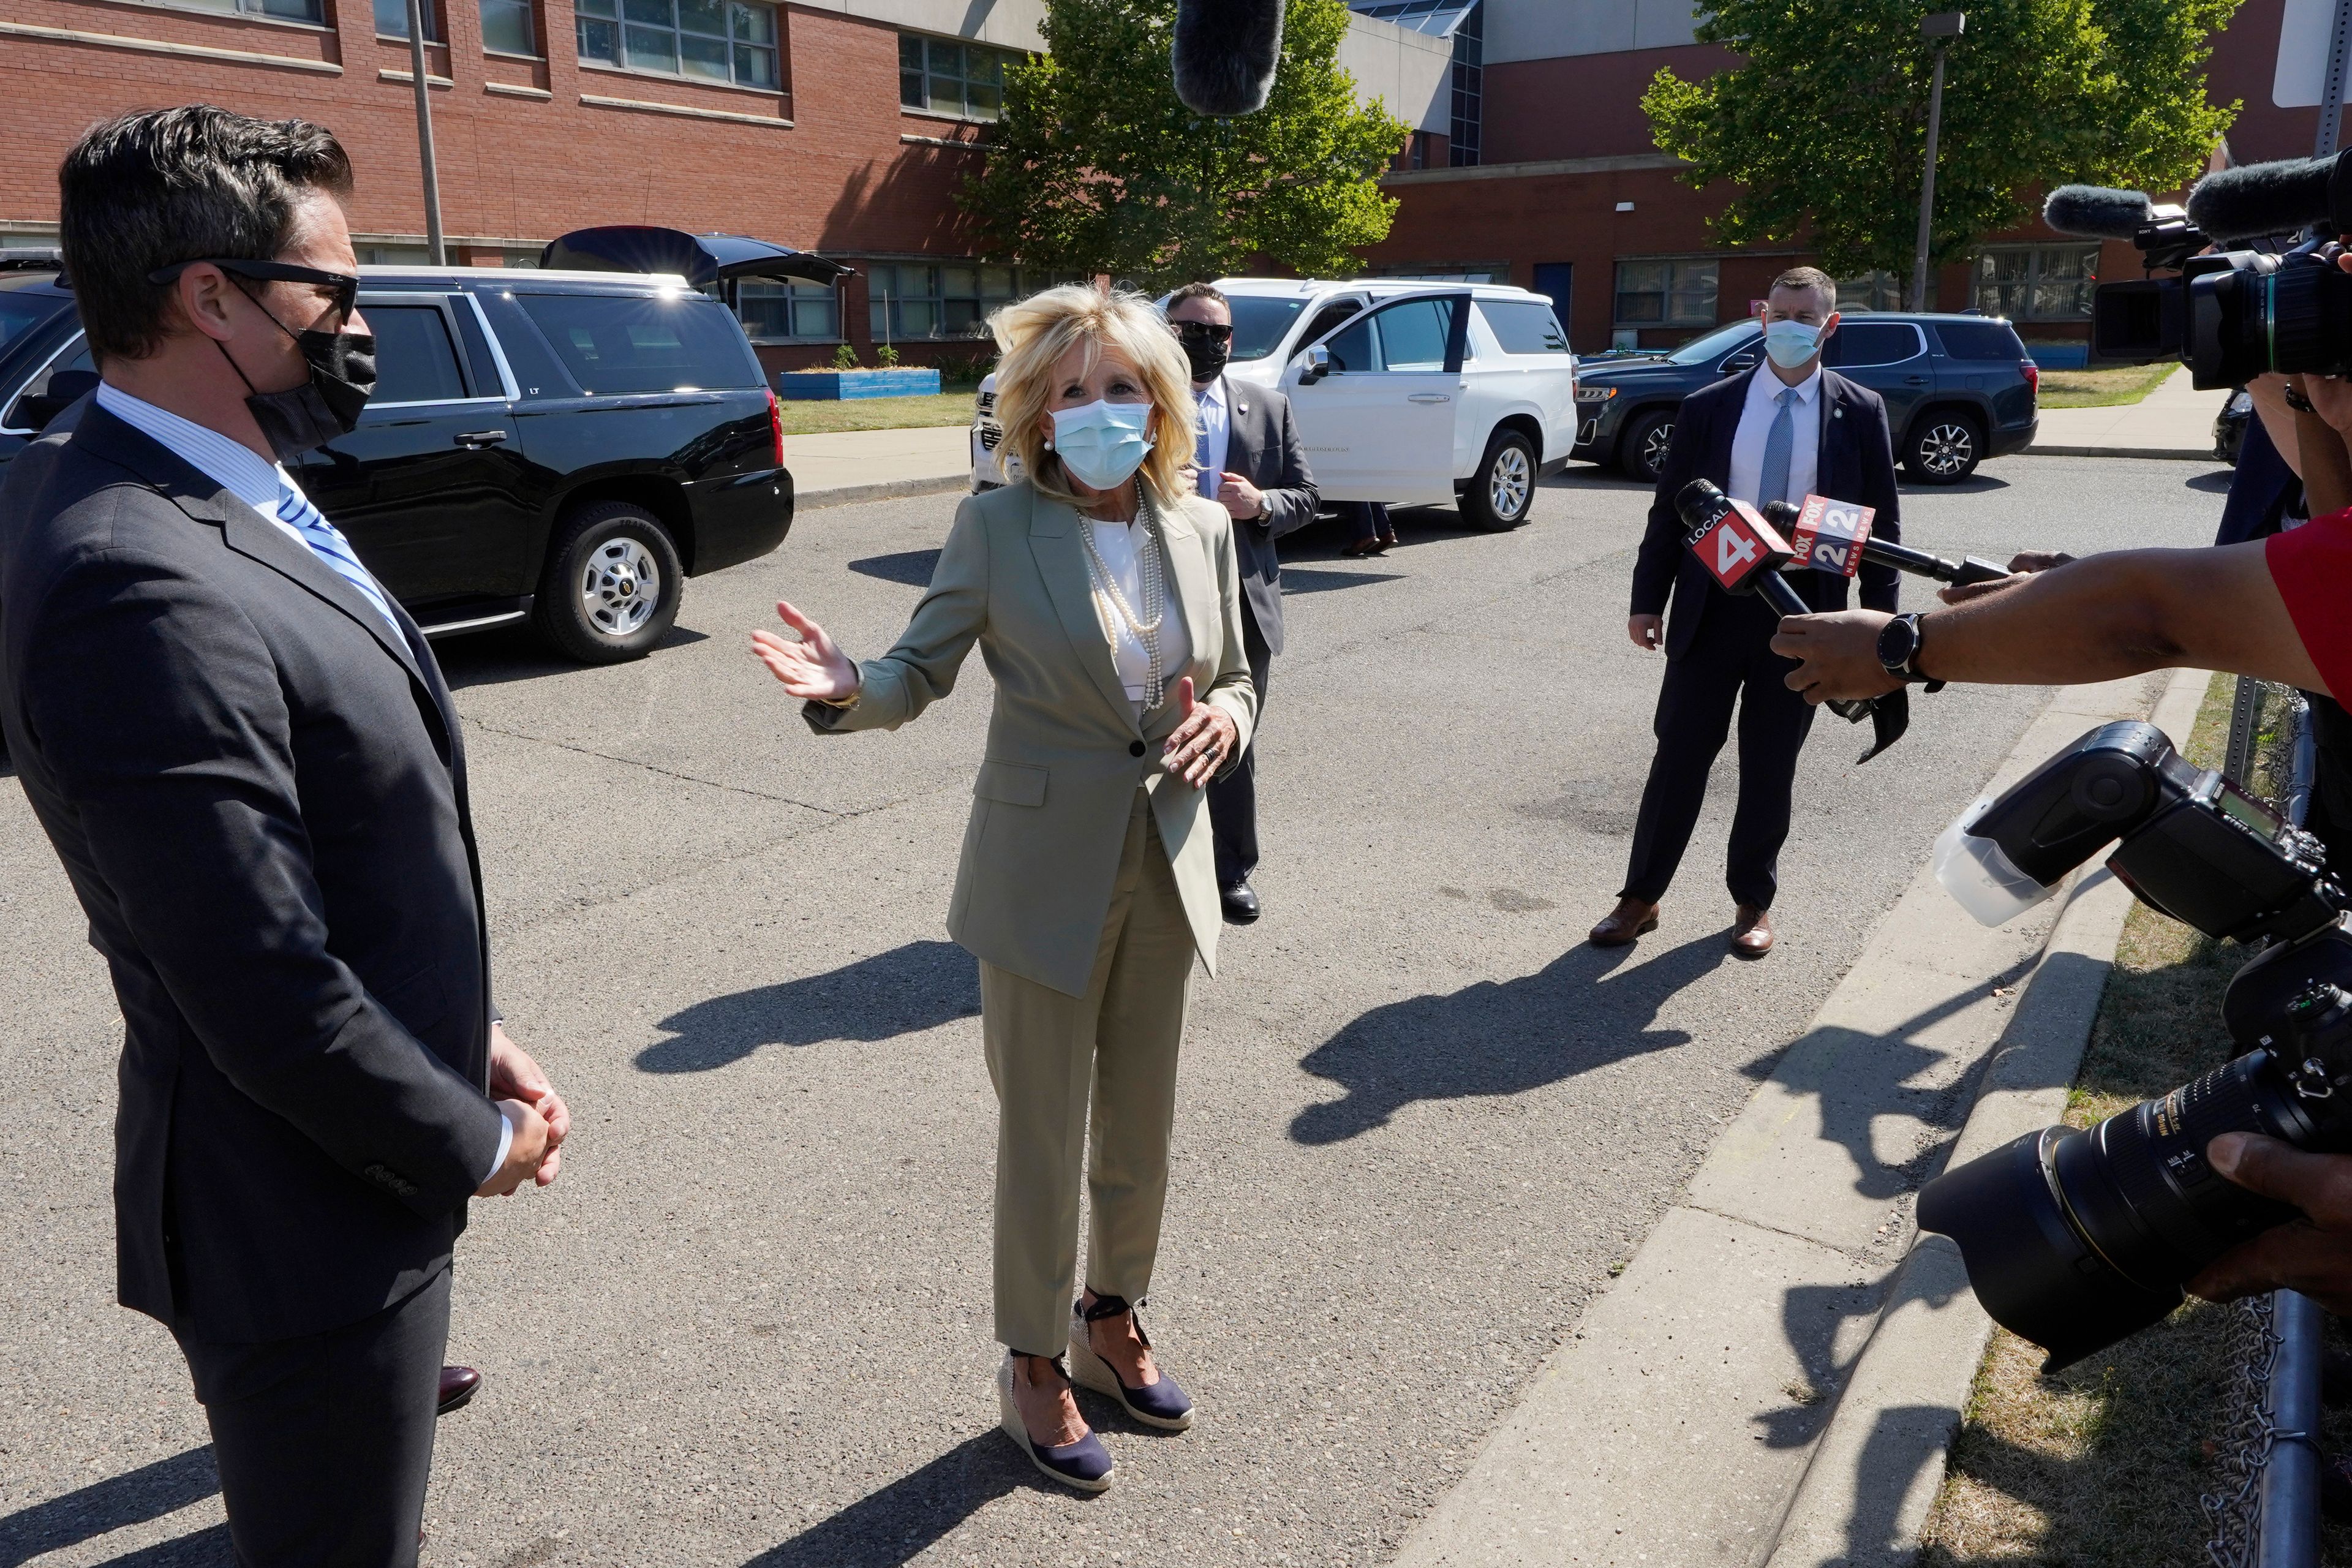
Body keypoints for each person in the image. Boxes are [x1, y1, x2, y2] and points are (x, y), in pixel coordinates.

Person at [0, 107, 568, 1565]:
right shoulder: (134, 575)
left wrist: (460, 1024)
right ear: (214, 297)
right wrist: (475, 1137)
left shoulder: (214, 470)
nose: (358, 319)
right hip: (306, 1218)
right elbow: (267, 988)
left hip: (357, 1148)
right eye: (334, 287)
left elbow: (334, 850)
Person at [750, 284, 1256, 1492]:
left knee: (1140, 1123)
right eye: (1071, 391)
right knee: (1042, 1135)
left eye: (1121, 387)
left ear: (1160, 403)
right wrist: (842, 684)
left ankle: (1110, 1310)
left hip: (1164, 861)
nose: (1098, 410)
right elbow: (917, 671)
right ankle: (1034, 1361)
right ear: (1036, 414)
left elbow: (1236, 672)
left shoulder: (1201, 528)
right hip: (1039, 874)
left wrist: (1228, 724)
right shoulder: (996, 527)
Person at [1591, 266, 1902, 958]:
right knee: (1679, 756)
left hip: (1803, 612)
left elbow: (1880, 527)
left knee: (1771, 765)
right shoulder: (1710, 406)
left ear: (1830, 324)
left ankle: (1752, 901)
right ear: (1763, 317)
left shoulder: (1861, 409)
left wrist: (1882, 625)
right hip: (1713, 607)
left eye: (1806, 315)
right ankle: (1640, 897)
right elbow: (1669, 512)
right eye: (1780, 312)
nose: (1790, 325)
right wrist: (1648, 600)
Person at [1164, 281, 1320, 923]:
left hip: (1242, 604)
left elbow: (1307, 496)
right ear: (1165, 332)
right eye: (1190, 329)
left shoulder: (1267, 404)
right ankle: (1153, 869)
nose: (1206, 342)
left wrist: (1262, 505)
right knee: (1152, 737)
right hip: (1159, 594)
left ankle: (1231, 870)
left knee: (1232, 739)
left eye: (1217, 332)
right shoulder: (1136, 400)